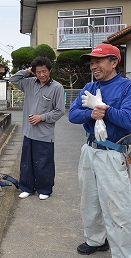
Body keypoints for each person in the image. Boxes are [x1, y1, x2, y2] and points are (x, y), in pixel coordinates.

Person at [69, 43, 131, 257]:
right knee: (90, 200)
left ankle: (123, 253)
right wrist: (90, 115)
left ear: (114, 62)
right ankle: (95, 240)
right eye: (91, 62)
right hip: (89, 149)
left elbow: (129, 120)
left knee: (118, 208)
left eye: (99, 61)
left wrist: (104, 109)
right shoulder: (89, 87)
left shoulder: (126, 87)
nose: (93, 66)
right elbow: (72, 115)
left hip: (113, 153)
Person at [9, 56, 65, 200]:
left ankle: (44, 189)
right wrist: (28, 71)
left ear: (50, 70)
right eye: (38, 72)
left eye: (44, 71)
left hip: (45, 133)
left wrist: (42, 117)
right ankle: (27, 187)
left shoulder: (57, 87)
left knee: (44, 163)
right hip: (29, 131)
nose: (41, 75)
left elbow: (60, 111)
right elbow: (13, 79)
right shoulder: (29, 83)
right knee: (26, 162)